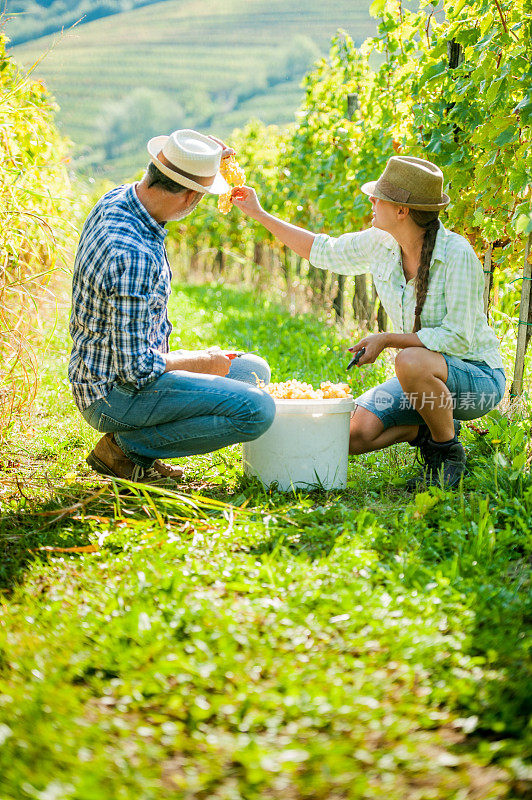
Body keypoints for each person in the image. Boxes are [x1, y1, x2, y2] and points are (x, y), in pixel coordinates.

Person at [231, 156, 506, 489]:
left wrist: (387, 339)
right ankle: (429, 427)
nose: (371, 201)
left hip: (475, 381)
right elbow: (324, 251)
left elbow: (458, 339)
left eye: (379, 197)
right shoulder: (381, 242)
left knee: (409, 359)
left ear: (402, 210)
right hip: (422, 382)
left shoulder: (456, 254)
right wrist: (259, 214)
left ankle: (446, 453)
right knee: (350, 435)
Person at [69, 129, 275, 487]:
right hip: (112, 393)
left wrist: (210, 156)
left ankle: (138, 443)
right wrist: (203, 361)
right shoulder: (132, 255)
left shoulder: (119, 199)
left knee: (252, 372)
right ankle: (127, 450)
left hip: (110, 371)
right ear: (190, 197)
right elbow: (135, 370)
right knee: (257, 410)